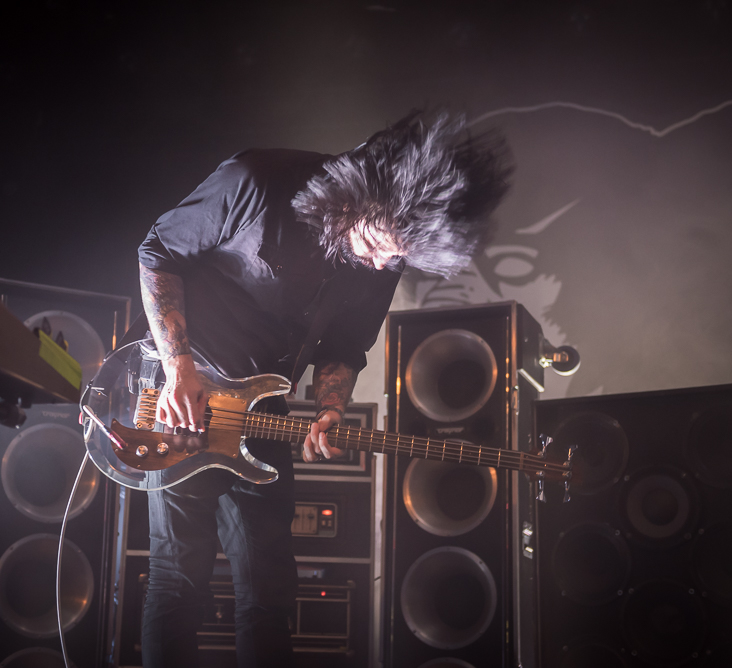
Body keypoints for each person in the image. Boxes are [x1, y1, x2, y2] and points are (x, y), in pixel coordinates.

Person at [135, 110, 511, 667]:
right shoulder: (256, 181)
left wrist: (331, 407)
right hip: (183, 389)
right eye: (384, 242)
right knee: (179, 573)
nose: (387, 261)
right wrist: (179, 366)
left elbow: (345, 346)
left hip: (264, 405)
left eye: (401, 255)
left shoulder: (385, 258)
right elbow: (157, 254)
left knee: (269, 586)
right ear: (364, 194)